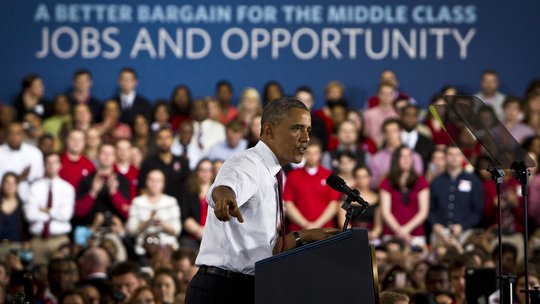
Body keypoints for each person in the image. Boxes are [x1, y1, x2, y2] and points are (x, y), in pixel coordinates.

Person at [185, 97, 339, 304]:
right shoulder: (249, 163)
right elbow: (225, 188)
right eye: (297, 128)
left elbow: (266, 249)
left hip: (247, 288)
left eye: (308, 130)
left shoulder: (275, 172)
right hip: (222, 291)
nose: (305, 138)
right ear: (269, 130)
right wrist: (225, 198)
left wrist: (309, 236)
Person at [24, 153, 75, 264]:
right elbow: (30, 215)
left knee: (60, 275)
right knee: (37, 276)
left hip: (60, 240)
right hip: (38, 240)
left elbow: (66, 215)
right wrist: (55, 212)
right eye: (48, 162)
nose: (51, 166)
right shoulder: (35, 187)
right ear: (44, 165)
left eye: (55, 162)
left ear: (60, 165)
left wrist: (46, 210)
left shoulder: (67, 188)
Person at [428, 145, 483, 244]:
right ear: (445, 157)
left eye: (458, 154)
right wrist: (435, 225)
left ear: (462, 157)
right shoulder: (436, 181)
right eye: (450, 154)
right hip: (440, 231)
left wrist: (462, 226)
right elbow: (430, 208)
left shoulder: (473, 180)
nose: (454, 158)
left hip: (465, 232)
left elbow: (477, 211)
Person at [284, 138, 340, 231]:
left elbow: (334, 204)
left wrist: (317, 224)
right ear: (303, 154)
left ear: (320, 154)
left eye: (315, 153)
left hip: (325, 230)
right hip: (299, 229)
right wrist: (305, 224)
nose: (312, 156)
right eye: (308, 153)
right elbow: (288, 203)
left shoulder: (329, 175)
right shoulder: (293, 175)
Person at [380, 146, 430, 245]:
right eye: (402, 156)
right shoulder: (386, 182)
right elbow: (385, 212)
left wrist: (405, 230)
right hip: (392, 234)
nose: (406, 159)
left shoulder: (421, 181)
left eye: (409, 156)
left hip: (416, 235)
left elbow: (423, 212)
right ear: (396, 160)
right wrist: (400, 231)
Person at [127, 169, 181, 256]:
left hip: (166, 244)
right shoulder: (137, 202)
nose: (154, 183)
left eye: (158, 181)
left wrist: (162, 224)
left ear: (163, 184)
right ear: (146, 182)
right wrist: (147, 222)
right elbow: (130, 230)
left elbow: (177, 230)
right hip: (143, 246)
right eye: (151, 180)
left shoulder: (171, 202)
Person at [75, 143, 131, 226]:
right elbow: (79, 213)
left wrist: (114, 193)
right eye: (104, 153)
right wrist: (93, 192)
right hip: (90, 228)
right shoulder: (86, 180)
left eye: (110, 154)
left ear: (115, 157)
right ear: (98, 155)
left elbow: (126, 213)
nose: (107, 156)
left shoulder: (123, 181)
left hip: (114, 229)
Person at [138, 126, 190, 204]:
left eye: (167, 137)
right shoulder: (148, 162)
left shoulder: (182, 162)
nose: (164, 141)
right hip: (156, 207)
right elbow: (142, 189)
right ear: (155, 140)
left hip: (179, 206)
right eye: (160, 138)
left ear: (172, 140)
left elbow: (188, 188)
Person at [338, 166, 382, 240]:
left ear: (370, 178)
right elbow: (342, 222)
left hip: (371, 237)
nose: (362, 180)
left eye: (365, 177)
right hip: (350, 236)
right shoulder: (346, 197)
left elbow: (378, 226)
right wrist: (353, 235)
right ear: (355, 178)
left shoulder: (376, 197)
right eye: (358, 177)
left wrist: (372, 235)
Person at [180, 159, 214, 250]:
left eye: (208, 170)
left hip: (214, 235)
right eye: (202, 170)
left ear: (212, 173)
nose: (205, 173)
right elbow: (185, 216)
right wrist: (199, 231)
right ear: (197, 172)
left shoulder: (218, 191)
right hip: (192, 235)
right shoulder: (187, 190)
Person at [0, 173, 28, 258]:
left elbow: (27, 228)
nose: (10, 186)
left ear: (17, 185)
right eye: (7, 182)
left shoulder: (23, 206)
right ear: (2, 184)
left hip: (17, 246)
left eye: (13, 183)